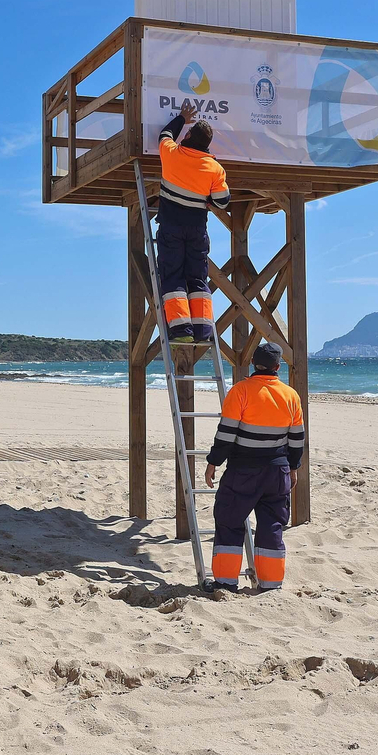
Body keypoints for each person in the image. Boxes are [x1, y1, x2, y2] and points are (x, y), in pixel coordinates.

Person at [203, 342, 305, 591]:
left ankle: (225, 582)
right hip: (277, 470)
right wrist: (293, 468)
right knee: (272, 525)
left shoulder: (240, 391)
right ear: (277, 367)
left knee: (229, 520)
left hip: (243, 469)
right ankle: (271, 584)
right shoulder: (291, 395)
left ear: (253, 364)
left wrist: (213, 462)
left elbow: (226, 434)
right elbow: (297, 439)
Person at [156, 100, 230, 343]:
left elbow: (165, 135)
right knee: (198, 279)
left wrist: (181, 118)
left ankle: (181, 332)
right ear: (208, 144)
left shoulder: (172, 154)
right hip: (197, 229)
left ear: (187, 136)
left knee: (173, 276)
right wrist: (206, 197)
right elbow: (222, 202)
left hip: (171, 226)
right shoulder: (215, 168)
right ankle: (203, 331)